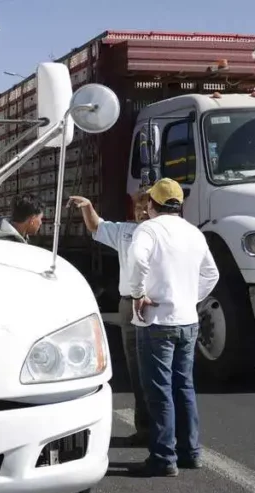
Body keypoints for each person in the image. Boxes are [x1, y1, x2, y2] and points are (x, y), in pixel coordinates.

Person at [127, 178, 220, 477]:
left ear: (152, 204)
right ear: (180, 205)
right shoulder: (194, 233)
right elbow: (211, 273)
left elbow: (138, 258)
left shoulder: (148, 229)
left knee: (159, 391)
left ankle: (163, 457)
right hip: (187, 321)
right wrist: (190, 298)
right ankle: (190, 452)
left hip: (157, 322)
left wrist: (138, 293)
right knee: (185, 387)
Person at [68, 192, 152, 446]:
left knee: (161, 373)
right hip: (130, 305)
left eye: (147, 207)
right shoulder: (126, 232)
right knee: (138, 370)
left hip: (158, 306)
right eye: (138, 208)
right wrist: (88, 207)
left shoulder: (168, 233)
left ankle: (169, 434)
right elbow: (97, 226)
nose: (142, 213)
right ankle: (147, 430)